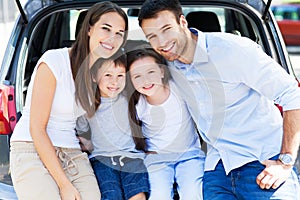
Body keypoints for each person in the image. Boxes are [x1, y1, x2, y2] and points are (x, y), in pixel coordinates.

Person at [137, 0, 300, 199]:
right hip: (217, 168)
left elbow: (292, 94)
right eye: (152, 36)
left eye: (166, 29)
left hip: (264, 162)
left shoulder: (232, 50)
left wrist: (285, 162)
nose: (161, 42)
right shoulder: (164, 68)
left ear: (182, 22)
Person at [9, 1, 128, 200]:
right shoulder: (54, 61)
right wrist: (64, 185)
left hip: (72, 151)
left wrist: (92, 144)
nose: (112, 38)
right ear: (89, 29)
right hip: (32, 147)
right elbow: (37, 128)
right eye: (106, 28)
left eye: (119, 33)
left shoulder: (104, 73)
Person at [126, 46, 205, 200]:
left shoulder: (179, 90)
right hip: (157, 158)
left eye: (151, 72)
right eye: (137, 76)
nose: (146, 80)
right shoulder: (137, 104)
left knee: (192, 192)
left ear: (162, 71)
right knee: (159, 195)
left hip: (189, 155)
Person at [76, 52, 150, 200]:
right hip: (102, 160)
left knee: (138, 196)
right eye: (108, 75)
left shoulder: (131, 99)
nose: (114, 82)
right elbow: (81, 129)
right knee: (111, 195)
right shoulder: (87, 105)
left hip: (132, 158)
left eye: (120, 76)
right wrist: (87, 144)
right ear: (95, 77)